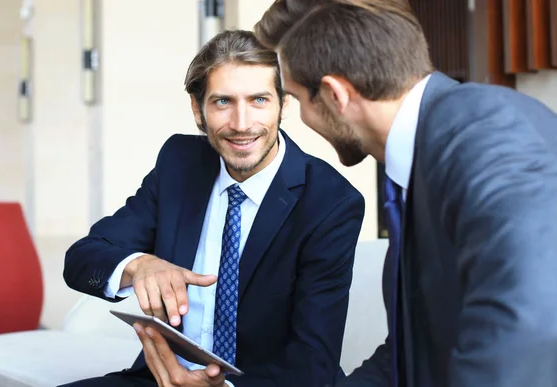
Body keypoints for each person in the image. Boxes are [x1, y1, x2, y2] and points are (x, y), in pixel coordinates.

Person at [254, 1, 557, 387]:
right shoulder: (420, 159)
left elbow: (528, 329)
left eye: (296, 99)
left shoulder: (489, 133)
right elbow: (411, 355)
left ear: (334, 94)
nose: (300, 118)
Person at [61, 29, 365, 387]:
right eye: (223, 102)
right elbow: (81, 259)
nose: (241, 123)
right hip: (160, 379)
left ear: (284, 104)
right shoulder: (180, 163)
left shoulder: (330, 202)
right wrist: (139, 265)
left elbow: (313, 363)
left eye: (259, 100)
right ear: (197, 109)